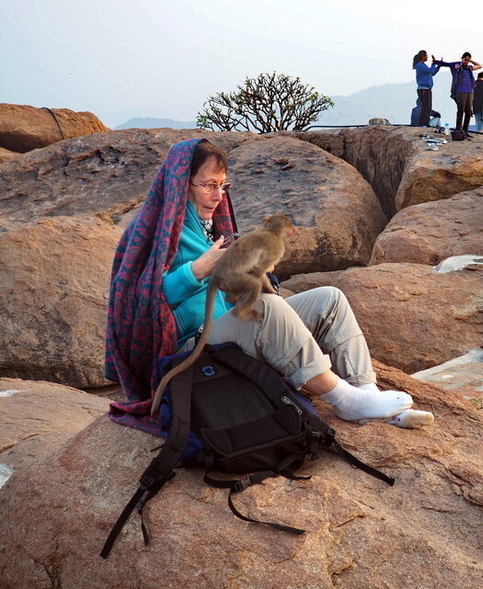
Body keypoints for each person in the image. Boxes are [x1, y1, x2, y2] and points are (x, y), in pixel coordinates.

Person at [105, 138, 433, 435]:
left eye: (222, 185)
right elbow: (135, 307)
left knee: (329, 300)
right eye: (208, 185)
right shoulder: (151, 232)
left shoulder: (209, 228)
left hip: (230, 330)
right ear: (181, 185)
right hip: (191, 347)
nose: (218, 196)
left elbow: (230, 289)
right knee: (268, 309)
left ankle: (368, 400)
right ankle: (343, 398)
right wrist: (194, 271)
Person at [435, 52, 483, 135]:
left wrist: (471, 61)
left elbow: (480, 65)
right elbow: (445, 64)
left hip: (470, 91)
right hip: (460, 91)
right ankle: (458, 130)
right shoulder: (456, 65)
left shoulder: (469, 67)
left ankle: (465, 130)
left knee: (468, 112)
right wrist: (436, 61)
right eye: (465, 60)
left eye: (468, 60)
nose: (466, 62)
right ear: (462, 58)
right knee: (461, 111)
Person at [412, 50, 440, 127]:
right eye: (426, 55)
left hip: (427, 88)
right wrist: (433, 63)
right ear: (423, 56)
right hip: (423, 89)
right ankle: (423, 123)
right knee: (425, 107)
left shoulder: (423, 65)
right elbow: (430, 70)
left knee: (428, 107)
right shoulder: (420, 65)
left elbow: (432, 73)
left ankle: (425, 122)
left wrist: (438, 66)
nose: (427, 57)